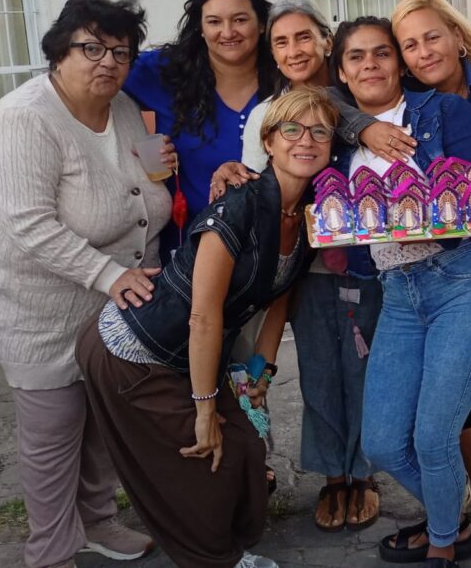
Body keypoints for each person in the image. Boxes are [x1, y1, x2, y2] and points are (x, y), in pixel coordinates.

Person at [75, 87, 337, 568]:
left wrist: (261, 369)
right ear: (269, 142)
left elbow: (280, 298)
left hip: (188, 353)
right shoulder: (239, 204)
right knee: (207, 455)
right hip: (135, 349)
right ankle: (213, 557)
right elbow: (203, 316)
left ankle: (229, 544)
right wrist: (204, 407)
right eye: (292, 129)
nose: (306, 140)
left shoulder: (310, 215)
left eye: (320, 131)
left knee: (246, 446)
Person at [0, 0, 169, 568]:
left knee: (102, 424)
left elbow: (141, 189)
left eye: (120, 52)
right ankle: (49, 550)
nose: (107, 62)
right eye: (91, 48)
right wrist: (108, 274)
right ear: (58, 51)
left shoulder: (122, 108)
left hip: (113, 308)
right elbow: (27, 225)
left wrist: (157, 172)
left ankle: (97, 521)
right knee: (53, 437)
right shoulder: (22, 119)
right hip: (41, 312)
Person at [329, 16, 471, 568]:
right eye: (356, 56)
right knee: (382, 443)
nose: (370, 64)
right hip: (398, 293)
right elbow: (297, 108)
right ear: (342, 72)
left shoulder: (440, 111)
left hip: (463, 279)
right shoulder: (337, 130)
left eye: (382, 53)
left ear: (398, 62)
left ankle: (442, 545)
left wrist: (432, 212)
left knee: (434, 437)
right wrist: (359, 127)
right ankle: (454, 506)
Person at [212, 1, 381, 531]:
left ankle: (364, 473)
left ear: (326, 40)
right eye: (281, 42)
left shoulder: (359, 100)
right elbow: (257, 183)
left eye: (303, 37)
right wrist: (230, 171)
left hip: (367, 260)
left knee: (364, 367)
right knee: (319, 368)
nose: (294, 50)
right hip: (303, 266)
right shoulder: (271, 112)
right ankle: (333, 474)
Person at [123, 0, 275, 257]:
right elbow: (97, 83)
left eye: (240, 20)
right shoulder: (166, 74)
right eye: (214, 22)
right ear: (201, 28)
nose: (227, 32)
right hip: (187, 252)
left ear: (262, 24)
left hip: (269, 250)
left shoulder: (284, 78)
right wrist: (129, 142)